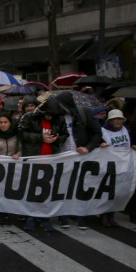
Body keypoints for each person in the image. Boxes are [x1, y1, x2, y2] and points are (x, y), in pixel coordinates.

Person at [19, 98, 69, 232]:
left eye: (52, 115)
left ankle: (44, 218)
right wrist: (40, 138)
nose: (49, 117)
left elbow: (65, 134)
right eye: (48, 114)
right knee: (31, 189)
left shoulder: (59, 119)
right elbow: (21, 133)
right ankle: (30, 216)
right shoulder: (30, 117)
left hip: (50, 159)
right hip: (33, 157)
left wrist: (57, 138)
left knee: (46, 190)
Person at [56, 91, 103, 230]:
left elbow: (97, 133)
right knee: (62, 187)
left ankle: (80, 215)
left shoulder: (85, 114)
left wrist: (88, 148)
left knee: (80, 187)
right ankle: (63, 215)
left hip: (81, 158)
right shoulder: (57, 116)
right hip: (62, 156)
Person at [99, 109, 136, 228]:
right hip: (109, 165)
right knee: (108, 191)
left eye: (120, 119)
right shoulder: (103, 131)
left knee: (118, 191)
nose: (119, 121)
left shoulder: (125, 130)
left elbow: (127, 144)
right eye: (116, 119)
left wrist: (133, 146)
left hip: (123, 165)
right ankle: (104, 215)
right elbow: (98, 144)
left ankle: (111, 214)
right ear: (110, 120)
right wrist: (102, 144)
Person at [0, 111, 21, 226]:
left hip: (12, 168)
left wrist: (18, 154)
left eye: (5, 122)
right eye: (1, 122)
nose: (3, 125)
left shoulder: (16, 134)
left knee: (9, 191)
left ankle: (7, 213)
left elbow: (21, 148)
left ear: (10, 123)